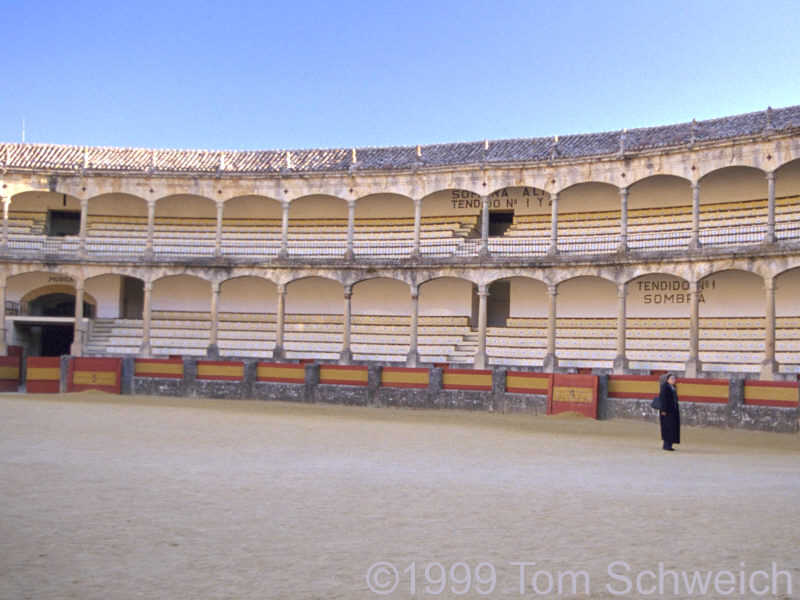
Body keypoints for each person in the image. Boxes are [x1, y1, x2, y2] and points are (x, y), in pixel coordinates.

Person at [658, 373, 680, 451]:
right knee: (668, 427)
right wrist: (663, 410)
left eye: (674, 378)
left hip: (672, 411)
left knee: (671, 427)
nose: (674, 380)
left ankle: (668, 444)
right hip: (667, 411)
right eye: (672, 378)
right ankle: (667, 445)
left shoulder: (672, 388)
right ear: (668, 380)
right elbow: (663, 400)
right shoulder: (665, 388)